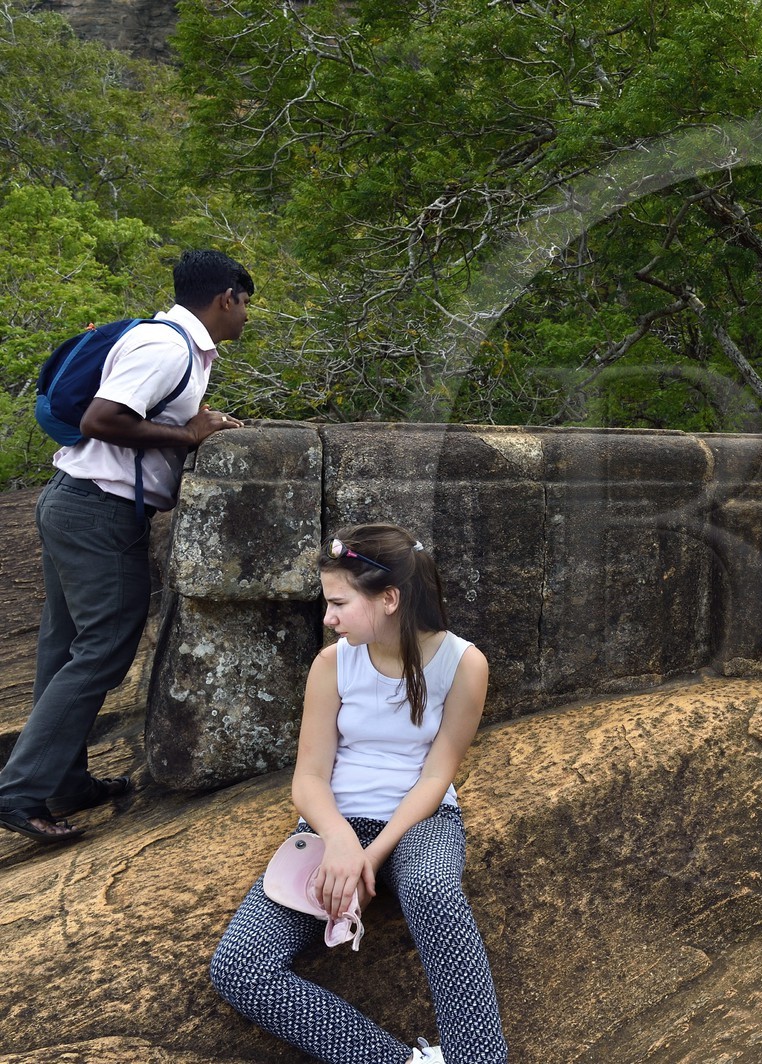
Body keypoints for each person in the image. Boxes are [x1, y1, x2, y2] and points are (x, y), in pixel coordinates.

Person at [210, 524, 510, 1064]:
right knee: (239, 967)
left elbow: (436, 776)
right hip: (332, 826)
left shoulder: (464, 664)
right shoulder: (332, 665)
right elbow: (308, 778)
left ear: (389, 598)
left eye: (339, 603)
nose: (327, 618)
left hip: (420, 823)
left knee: (431, 888)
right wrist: (343, 843)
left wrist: (373, 853)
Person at [0, 250, 250, 842]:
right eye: (245, 304)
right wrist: (188, 434)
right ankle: (19, 791)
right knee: (104, 648)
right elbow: (102, 419)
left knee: (64, 649)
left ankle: (63, 782)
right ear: (226, 298)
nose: (245, 317)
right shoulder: (167, 347)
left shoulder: (174, 347)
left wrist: (197, 421)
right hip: (97, 513)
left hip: (79, 504)